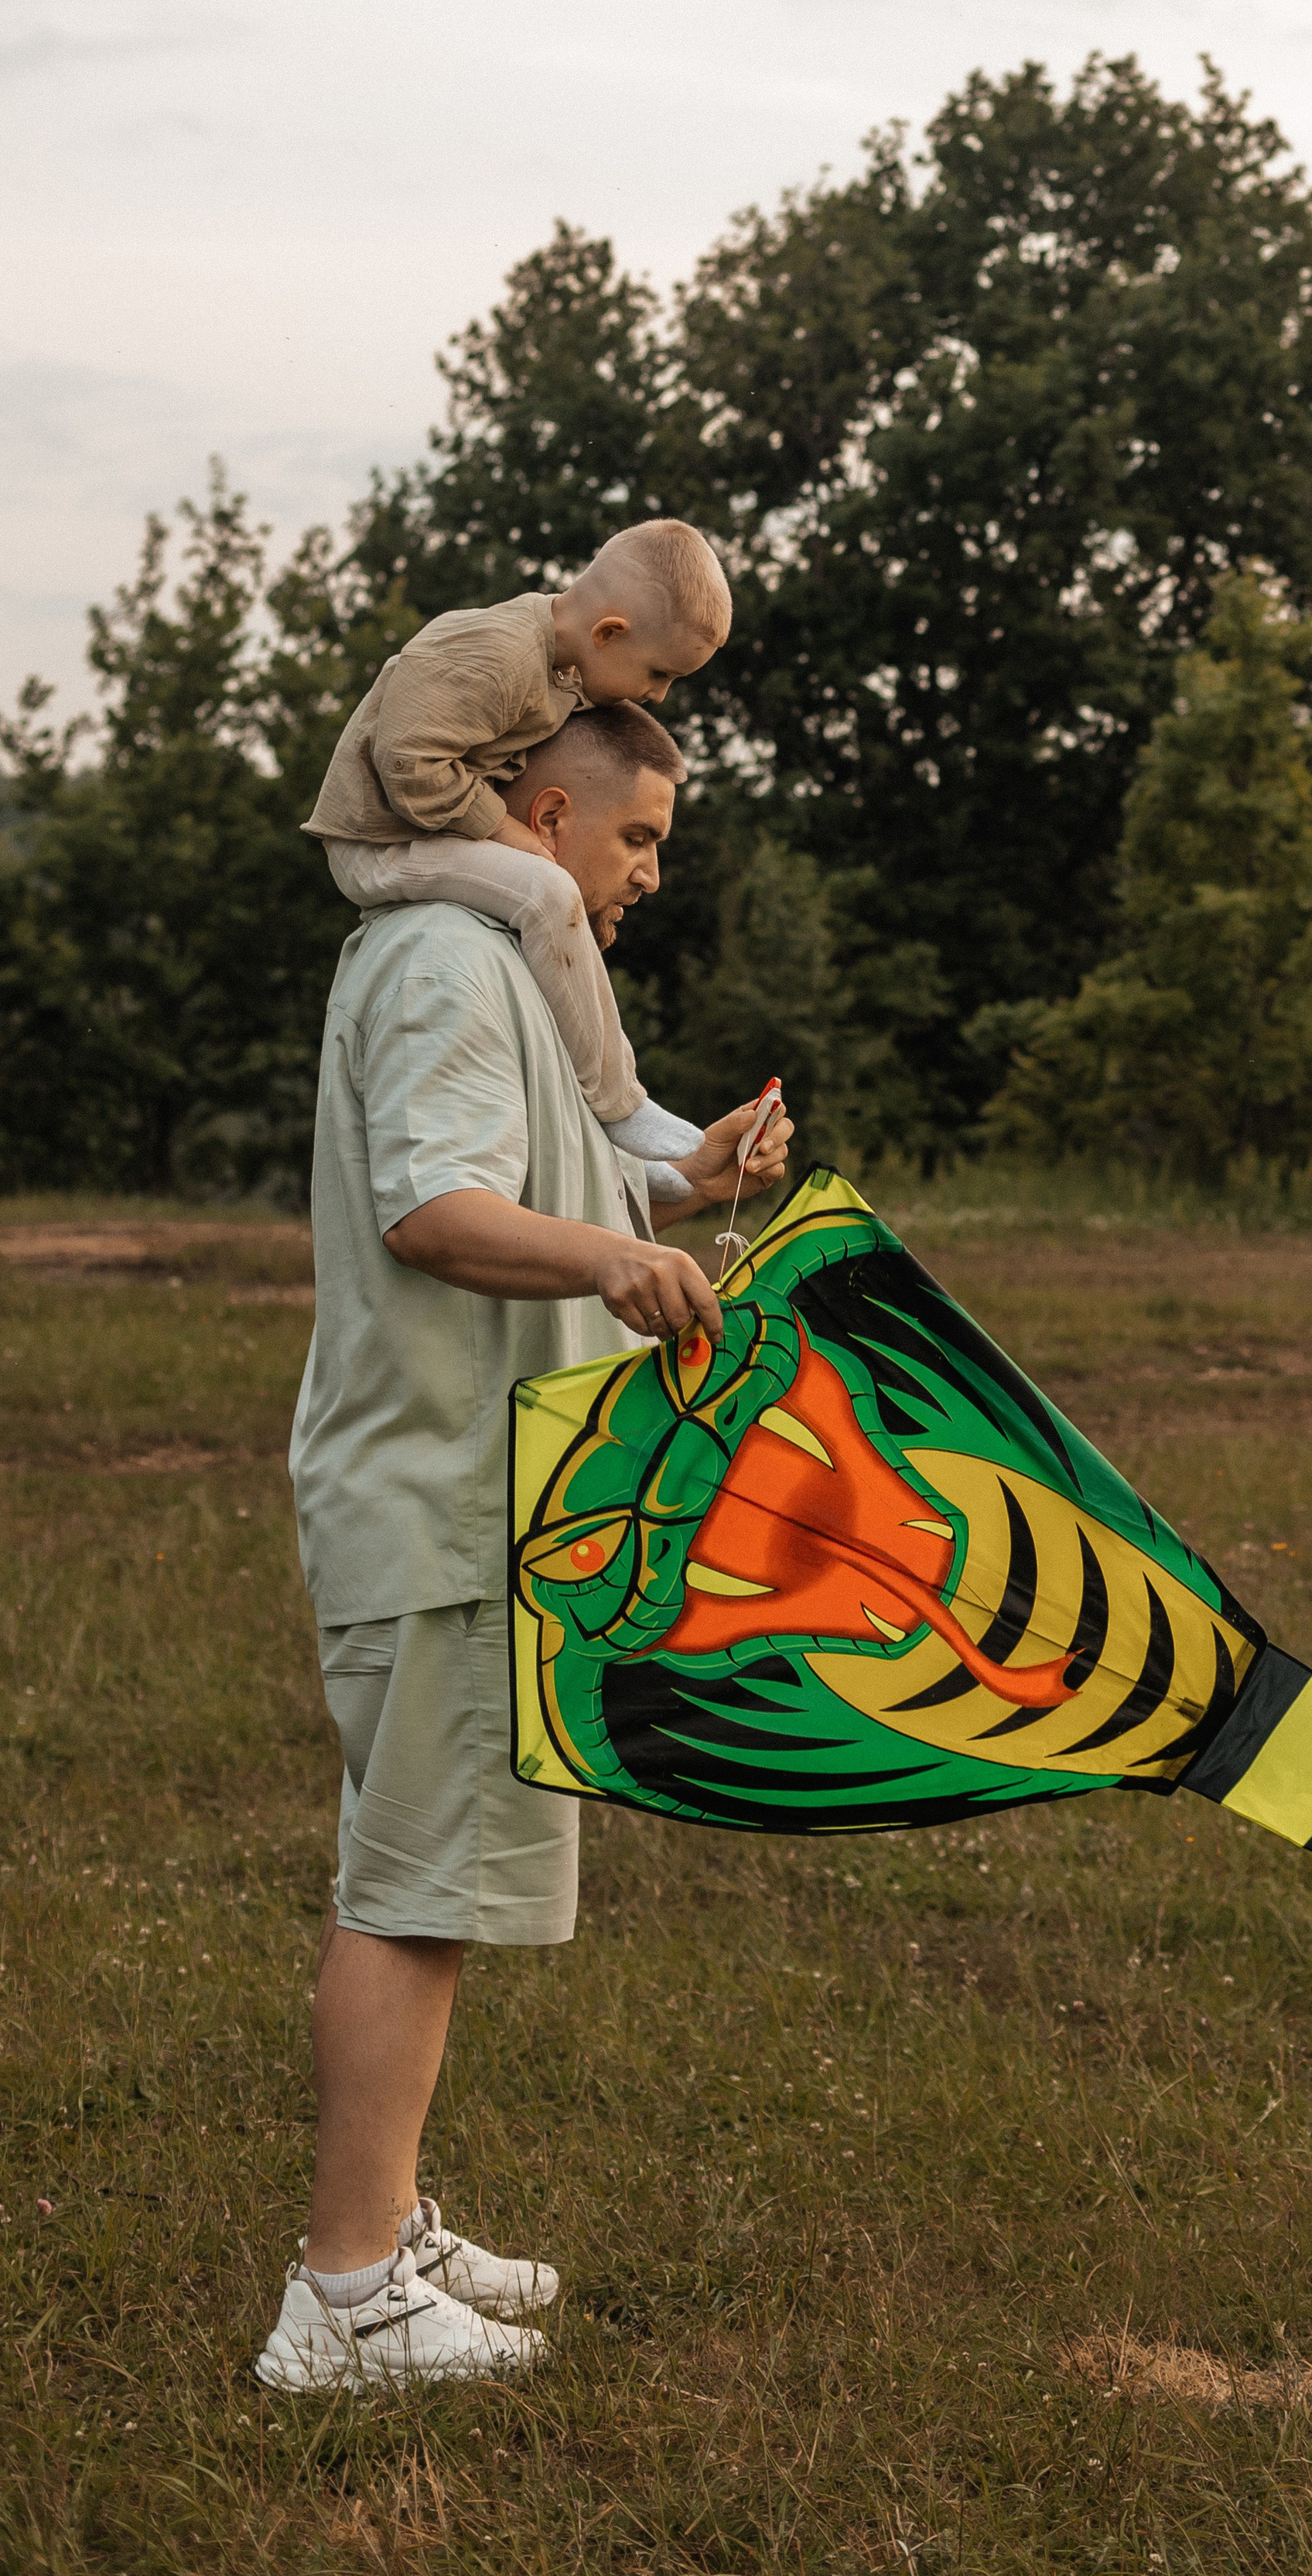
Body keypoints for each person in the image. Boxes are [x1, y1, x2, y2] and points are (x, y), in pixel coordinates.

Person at [257, 699, 792, 2393]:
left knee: (433, 1881)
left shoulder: (505, 977)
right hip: (442, 1504)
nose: (644, 879)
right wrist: (608, 1268)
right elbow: (436, 1214)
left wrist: (678, 1196)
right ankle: (343, 2301)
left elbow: (532, 1186)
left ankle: (387, 2226)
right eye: (636, 841)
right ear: (547, 813)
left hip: (488, 1509)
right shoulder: (443, 959)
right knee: (412, 1895)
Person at [302, 517, 730, 1182]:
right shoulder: (497, 655)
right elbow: (408, 763)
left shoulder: (559, 669)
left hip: (421, 835)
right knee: (548, 890)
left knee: (549, 916)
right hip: (378, 844)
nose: (658, 695)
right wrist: (510, 833)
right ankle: (622, 1104)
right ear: (609, 633)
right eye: (657, 672)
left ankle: (620, 1141)